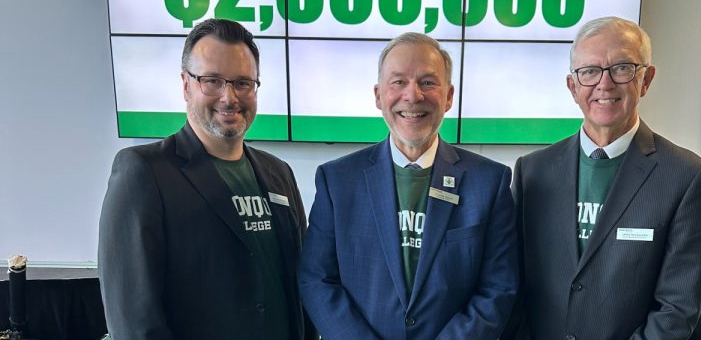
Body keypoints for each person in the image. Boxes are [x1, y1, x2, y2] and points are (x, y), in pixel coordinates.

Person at [98, 19, 312, 339]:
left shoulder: (278, 174)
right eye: (212, 81)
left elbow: (300, 284)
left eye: (242, 83)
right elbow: (133, 320)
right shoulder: (143, 172)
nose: (229, 97)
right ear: (186, 85)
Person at [506, 16, 701, 340]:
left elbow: (677, 309)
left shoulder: (686, 178)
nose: (604, 85)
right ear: (572, 86)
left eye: (622, 68)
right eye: (589, 71)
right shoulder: (532, 172)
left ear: (645, 79)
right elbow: (510, 284)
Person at [298, 32, 518, 339]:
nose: (413, 96)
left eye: (428, 82)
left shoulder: (490, 182)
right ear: (378, 95)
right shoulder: (337, 181)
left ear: (449, 96)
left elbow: (498, 287)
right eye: (398, 82)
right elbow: (316, 280)